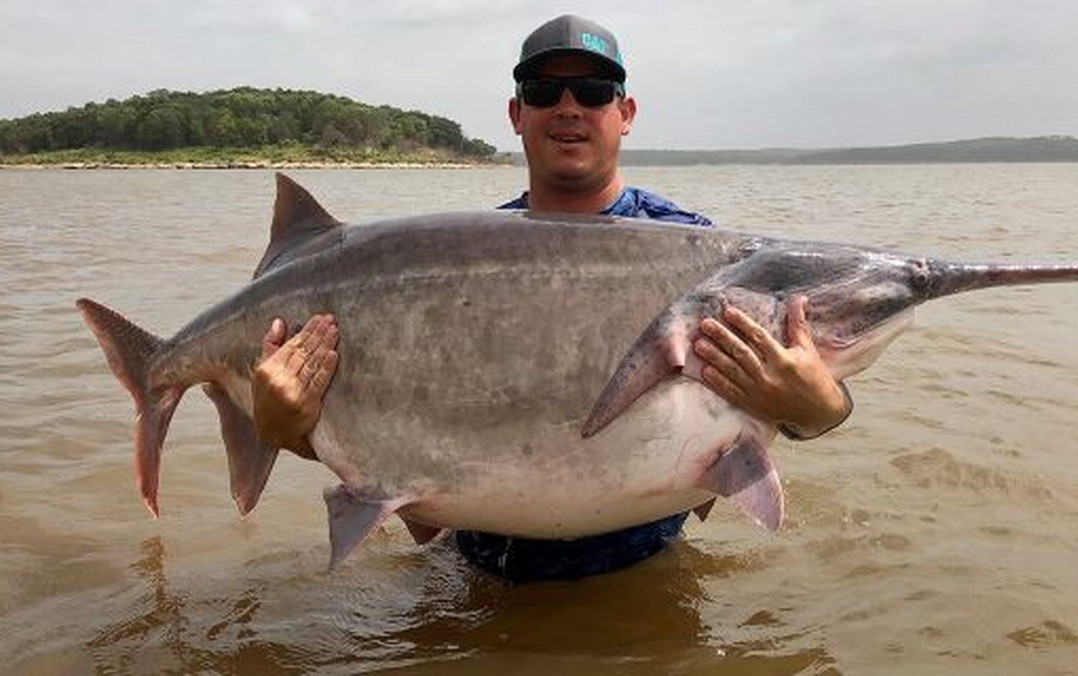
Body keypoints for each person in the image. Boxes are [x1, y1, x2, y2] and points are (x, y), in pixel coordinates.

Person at [252, 15, 851, 583]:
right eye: (543, 90)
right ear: (516, 113)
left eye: (593, 89)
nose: (569, 107)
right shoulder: (461, 261)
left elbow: (790, 381)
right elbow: (394, 421)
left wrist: (822, 410)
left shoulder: (696, 251)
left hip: (640, 572)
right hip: (472, 572)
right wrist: (286, 430)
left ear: (626, 112)